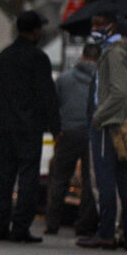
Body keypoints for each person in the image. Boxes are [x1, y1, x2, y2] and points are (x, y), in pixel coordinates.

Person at [0, 10, 60, 243]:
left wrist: (6, 114)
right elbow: (47, 95)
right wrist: (55, 127)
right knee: (28, 176)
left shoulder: (4, 57)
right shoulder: (38, 58)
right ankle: (20, 227)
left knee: (5, 177)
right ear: (36, 31)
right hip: (30, 128)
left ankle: (0, 225)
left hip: (6, 126)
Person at [76, 11, 127, 250]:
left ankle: (106, 233)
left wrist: (99, 116)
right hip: (120, 123)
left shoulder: (113, 54)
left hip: (107, 125)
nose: (94, 28)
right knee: (124, 178)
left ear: (112, 27)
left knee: (106, 180)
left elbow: (118, 92)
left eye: (99, 24)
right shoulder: (124, 53)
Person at [45, 44, 100, 237]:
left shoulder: (65, 78)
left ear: (83, 56)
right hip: (91, 132)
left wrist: (56, 131)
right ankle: (84, 224)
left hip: (68, 132)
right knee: (89, 180)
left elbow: (53, 105)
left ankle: (52, 223)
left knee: (59, 178)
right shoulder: (101, 79)